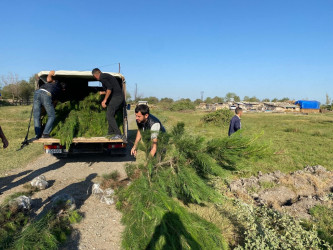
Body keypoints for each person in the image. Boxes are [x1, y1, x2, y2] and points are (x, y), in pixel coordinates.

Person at [92, 68, 124, 140]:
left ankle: (118, 134)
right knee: (110, 115)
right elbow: (110, 89)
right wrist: (102, 92)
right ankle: (110, 132)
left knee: (109, 115)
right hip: (117, 97)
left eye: (94, 76)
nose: (95, 77)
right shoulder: (105, 76)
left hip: (116, 98)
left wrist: (104, 100)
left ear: (96, 75)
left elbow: (109, 89)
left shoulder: (102, 77)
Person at [34, 70, 65, 139]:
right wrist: (50, 74)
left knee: (37, 116)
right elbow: (48, 79)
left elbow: (53, 103)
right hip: (46, 94)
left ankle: (38, 135)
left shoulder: (53, 83)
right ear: (63, 88)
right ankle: (45, 134)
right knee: (52, 116)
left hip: (37, 93)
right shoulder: (57, 84)